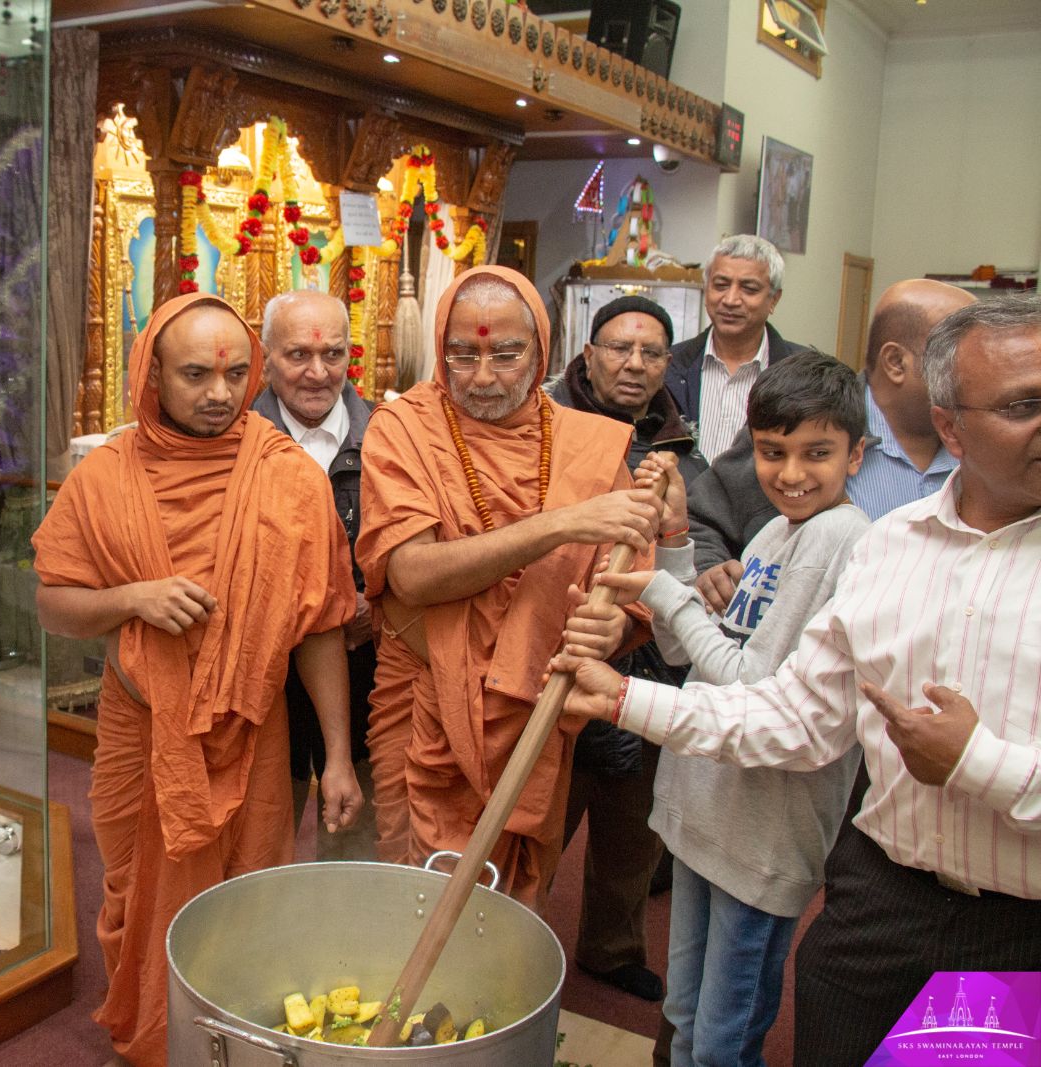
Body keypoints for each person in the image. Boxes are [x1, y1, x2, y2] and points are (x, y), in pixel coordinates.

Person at [556, 295, 1041, 1067]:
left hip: (768, 838)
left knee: (723, 1037)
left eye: (817, 453)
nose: (790, 473)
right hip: (721, 819)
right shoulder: (801, 535)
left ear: (857, 454)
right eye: (774, 452)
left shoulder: (842, 538)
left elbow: (749, 680)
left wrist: (656, 594)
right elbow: (713, 665)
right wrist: (676, 547)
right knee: (687, 1018)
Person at [31, 292, 361, 1067]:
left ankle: (236, 1044)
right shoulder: (104, 475)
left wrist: (338, 755)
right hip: (139, 726)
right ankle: (156, 1037)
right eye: (196, 374)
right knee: (134, 887)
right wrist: (131, 599)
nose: (219, 393)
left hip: (253, 729)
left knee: (250, 891)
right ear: (151, 373)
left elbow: (319, 626)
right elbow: (53, 605)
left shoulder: (290, 477)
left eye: (236, 373)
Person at [356, 265, 658, 909]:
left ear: (541, 350)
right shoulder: (404, 428)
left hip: (537, 712)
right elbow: (411, 575)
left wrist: (617, 629)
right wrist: (561, 525)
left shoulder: (591, 446)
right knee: (413, 895)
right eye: (461, 354)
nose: (483, 376)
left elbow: (629, 595)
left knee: (513, 907)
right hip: (425, 705)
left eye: (505, 352)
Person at [547, 294, 706, 1001]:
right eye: (619, 348)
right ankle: (504, 940)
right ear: (589, 353)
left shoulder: (680, 440)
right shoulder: (548, 424)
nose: (634, 363)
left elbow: (686, 540)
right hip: (561, 643)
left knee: (633, 824)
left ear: (667, 363)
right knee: (540, 816)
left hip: (647, 660)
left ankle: (612, 948)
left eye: (650, 352)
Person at [687, 279, 976, 599]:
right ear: (896, 362)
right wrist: (710, 568)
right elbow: (701, 517)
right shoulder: (803, 424)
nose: (978, 373)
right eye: (960, 358)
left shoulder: (982, 446)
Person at [252, 289, 377, 861]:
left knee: (352, 838)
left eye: (334, 355)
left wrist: (381, 597)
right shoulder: (233, 442)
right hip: (263, 677)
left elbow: (428, 539)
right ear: (266, 355)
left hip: (365, 669)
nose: (318, 373)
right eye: (298, 355)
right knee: (257, 839)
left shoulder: (389, 438)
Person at [665, 234, 807, 462]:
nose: (730, 300)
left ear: (774, 300)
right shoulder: (669, 365)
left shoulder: (803, 376)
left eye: (749, 289)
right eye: (720, 285)